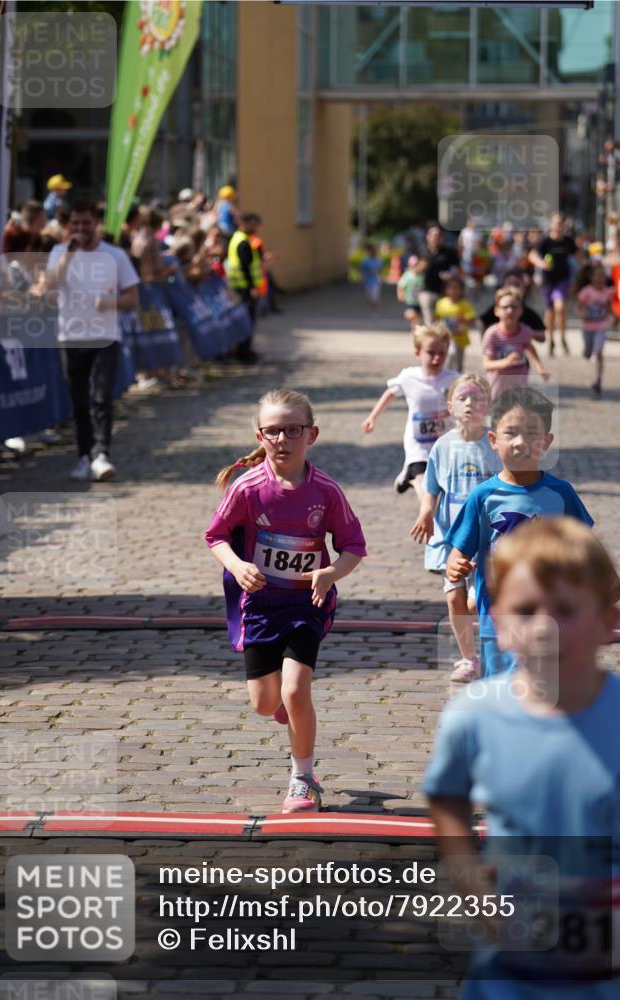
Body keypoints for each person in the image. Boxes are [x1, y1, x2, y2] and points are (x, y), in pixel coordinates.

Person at [424, 517, 620, 998]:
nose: (543, 627)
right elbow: (446, 797)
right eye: (525, 610)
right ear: (497, 625)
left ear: (608, 623)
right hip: (511, 973)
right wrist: (467, 875)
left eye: (565, 610)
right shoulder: (473, 718)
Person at [205, 389, 366, 813]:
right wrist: (239, 566)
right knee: (265, 703)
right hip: (259, 606)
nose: (282, 439)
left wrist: (331, 573)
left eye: (292, 430)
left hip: (305, 606)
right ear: (260, 436)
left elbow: (353, 546)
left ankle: (303, 778)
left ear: (311, 435)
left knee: (296, 690)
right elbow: (216, 536)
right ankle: (285, 711)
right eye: (273, 431)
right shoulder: (247, 488)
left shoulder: (326, 492)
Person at [444, 386, 596, 677]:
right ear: (493, 440)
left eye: (532, 434)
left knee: (544, 697)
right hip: (498, 622)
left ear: (546, 442)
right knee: (501, 697)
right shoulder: (483, 497)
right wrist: (455, 567)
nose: (521, 442)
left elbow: (585, 547)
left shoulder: (561, 494)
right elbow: (458, 553)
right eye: (510, 433)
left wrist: (601, 583)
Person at [411, 374, 501, 683]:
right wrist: (425, 512)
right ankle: (468, 659)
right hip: (451, 539)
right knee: (453, 598)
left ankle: (492, 649)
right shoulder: (442, 446)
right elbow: (432, 488)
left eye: (477, 398)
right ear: (450, 405)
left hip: (488, 539)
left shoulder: (495, 444)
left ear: (487, 405)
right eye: (463, 397)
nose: (470, 404)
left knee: (477, 601)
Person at [45, 200, 140, 482]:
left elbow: (133, 298)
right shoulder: (59, 252)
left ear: (96, 223)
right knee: (78, 401)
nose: (81, 229)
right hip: (70, 337)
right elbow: (50, 286)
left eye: (86, 223)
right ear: (68, 225)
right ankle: (84, 456)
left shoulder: (115, 255)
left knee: (101, 398)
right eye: (75, 224)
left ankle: (102, 455)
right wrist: (69, 254)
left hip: (105, 337)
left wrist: (110, 302)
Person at [362, 323, 458, 498]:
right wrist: (372, 417)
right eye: (430, 353)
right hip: (418, 443)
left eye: (442, 353)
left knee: (442, 489)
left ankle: (409, 477)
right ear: (418, 353)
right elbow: (390, 393)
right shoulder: (409, 376)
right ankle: (425, 511)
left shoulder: (454, 379)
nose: (436, 358)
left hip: (445, 442)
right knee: (426, 491)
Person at [481, 286, 550, 400]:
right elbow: (486, 365)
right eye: (505, 307)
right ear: (496, 311)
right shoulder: (492, 335)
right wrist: (505, 362)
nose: (510, 311)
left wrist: (539, 366)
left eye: (514, 307)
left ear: (521, 311)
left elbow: (529, 347)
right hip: (498, 389)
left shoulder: (525, 331)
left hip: (519, 386)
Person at [529, 212, 578, 357]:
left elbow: (577, 255)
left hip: (562, 279)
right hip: (547, 280)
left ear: (564, 226)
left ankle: (563, 336)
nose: (558, 226)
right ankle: (551, 339)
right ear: (551, 224)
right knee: (549, 313)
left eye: (561, 224)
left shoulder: (568, 241)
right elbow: (532, 255)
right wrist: (541, 264)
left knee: (560, 307)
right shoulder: (545, 241)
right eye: (556, 223)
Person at [226, 212, 265, 363]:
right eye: (255, 224)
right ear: (246, 223)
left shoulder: (237, 238)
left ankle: (245, 351)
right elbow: (245, 266)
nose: (257, 228)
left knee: (246, 320)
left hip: (240, 286)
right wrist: (252, 287)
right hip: (244, 288)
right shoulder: (243, 241)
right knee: (247, 321)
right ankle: (244, 353)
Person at [576, 261, 613, 398]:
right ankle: (588, 353)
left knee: (599, 351)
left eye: (602, 276)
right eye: (597, 276)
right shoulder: (586, 292)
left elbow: (610, 309)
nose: (600, 279)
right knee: (587, 352)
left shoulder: (607, 292)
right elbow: (578, 307)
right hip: (587, 328)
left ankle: (598, 379)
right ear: (591, 278)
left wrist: (612, 317)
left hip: (601, 327)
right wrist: (582, 314)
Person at [478, 268, 545, 343]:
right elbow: (482, 321)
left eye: (517, 284)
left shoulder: (528, 313)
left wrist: (525, 333)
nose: (513, 288)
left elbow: (542, 336)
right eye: (509, 284)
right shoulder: (499, 308)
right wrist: (486, 342)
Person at [418, 223, 460, 323]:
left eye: (439, 235)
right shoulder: (421, 251)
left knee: (444, 321)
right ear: (428, 237)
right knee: (429, 321)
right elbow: (412, 270)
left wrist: (450, 275)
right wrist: (419, 267)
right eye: (434, 235)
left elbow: (456, 269)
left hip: (444, 291)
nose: (436, 238)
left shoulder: (449, 252)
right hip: (425, 290)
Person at [434, 275, 476, 373]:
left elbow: (471, 320)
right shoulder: (441, 303)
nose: (453, 291)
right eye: (450, 287)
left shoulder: (465, 305)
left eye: (456, 288)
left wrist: (463, 319)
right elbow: (436, 319)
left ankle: (457, 381)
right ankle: (445, 381)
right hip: (445, 339)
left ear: (462, 290)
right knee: (446, 360)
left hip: (460, 339)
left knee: (458, 363)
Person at [396, 254, 425, 331]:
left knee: (419, 318)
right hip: (410, 301)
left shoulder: (422, 275)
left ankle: (416, 330)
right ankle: (416, 330)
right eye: (414, 265)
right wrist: (400, 294)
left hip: (420, 301)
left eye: (417, 265)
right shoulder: (408, 275)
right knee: (412, 315)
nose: (415, 267)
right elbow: (400, 285)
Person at [360, 242, 383, 311]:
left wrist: (376, 272)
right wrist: (362, 280)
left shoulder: (379, 261)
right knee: (370, 297)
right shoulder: (365, 261)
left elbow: (380, 270)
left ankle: (376, 310)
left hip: (376, 281)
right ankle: (373, 307)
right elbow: (363, 271)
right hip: (368, 281)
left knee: (375, 297)